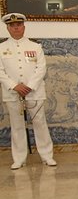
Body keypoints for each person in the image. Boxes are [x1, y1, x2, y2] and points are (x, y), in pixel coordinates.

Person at [0, 13, 56, 169]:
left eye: (18, 25)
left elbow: (41, 68)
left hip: (34, 92)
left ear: (24, 27)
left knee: (40, 123)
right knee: (17, 126)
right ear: (8, 28)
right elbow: (0, 71)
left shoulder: (35, 46)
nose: (16, 28)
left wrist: (30, 86)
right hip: (12, 94)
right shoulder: (1, 48)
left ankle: (47, 156)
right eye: (12, 26)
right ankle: (19, 159)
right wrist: (14, 86)